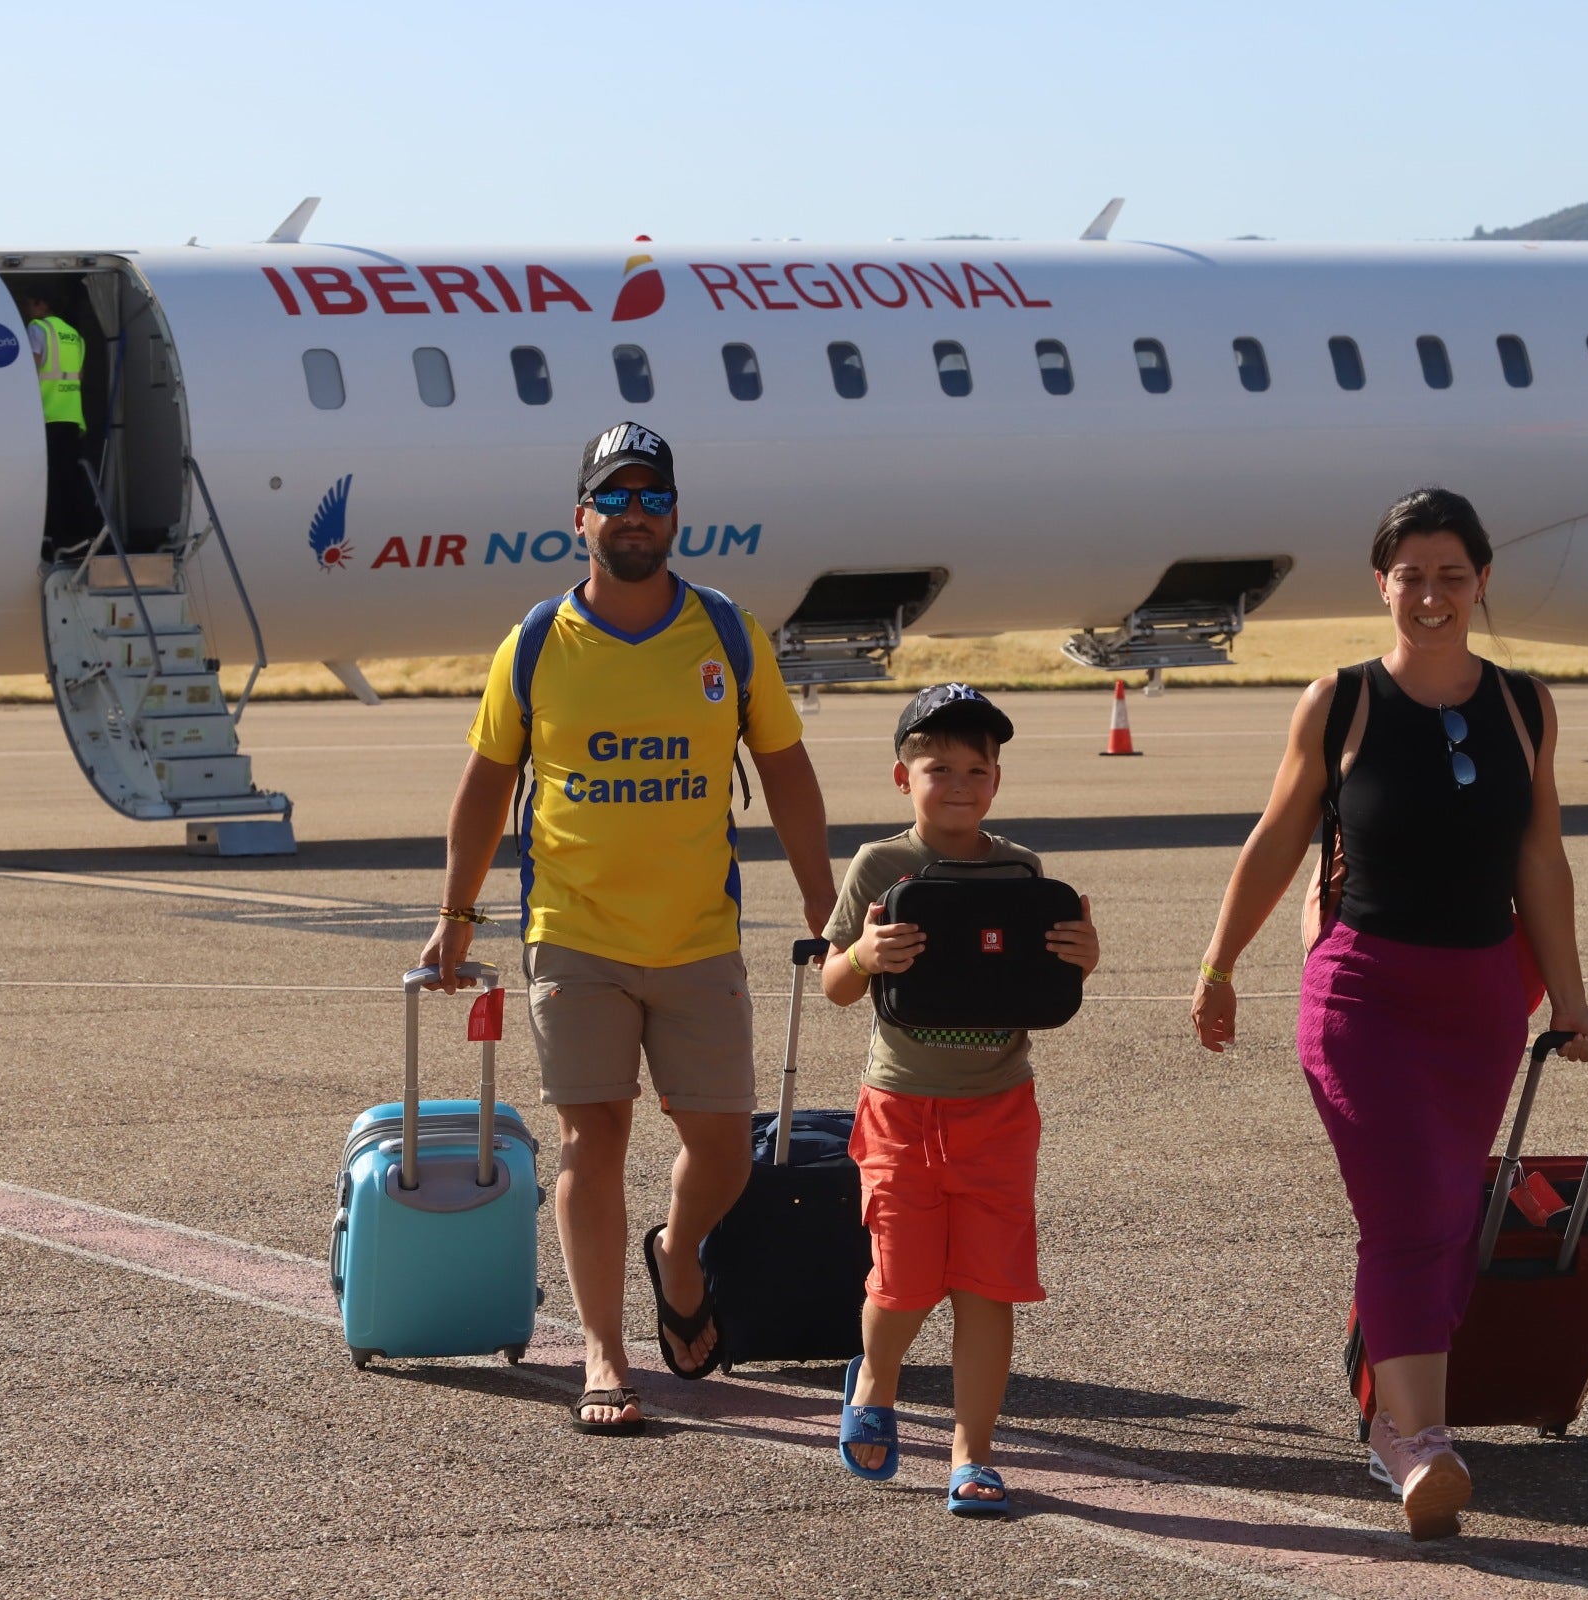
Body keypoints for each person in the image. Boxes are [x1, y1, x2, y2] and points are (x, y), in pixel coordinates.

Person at [1189, 488, 1588, 1541]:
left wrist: (1568, 996)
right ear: (1382, 583)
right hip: (1362, 994)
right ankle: (1415, 1442)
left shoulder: (1526, 704)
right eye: (1411, 574)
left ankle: (1396, 1391)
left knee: (1443, 1213)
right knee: (1409, 1210)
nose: (1431, 595)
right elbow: (1277, 839)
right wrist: (1218, 963)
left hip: (1478, 997)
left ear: (1481, 583)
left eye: (1451, 574)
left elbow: (1540, 860)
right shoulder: (1340, 701)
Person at [419, 421, 836, 1437]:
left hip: (697, 935)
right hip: (574, 932)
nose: (635, 514)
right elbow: (486, 783)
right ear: (581, 519)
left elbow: (783, 766)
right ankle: (607, 1354)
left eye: (653, 497)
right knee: (588, 1133)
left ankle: (680, 1253)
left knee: (725, 1148)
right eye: (615, 497)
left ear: (677, 516)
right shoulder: (535, 644)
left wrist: (828, 901)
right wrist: (455, 915)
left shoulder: (727, 635)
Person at [820, 684, 1099, 1517]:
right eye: (938, 767)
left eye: (977, 769)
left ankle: (973, 1455)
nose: (959, 784)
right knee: (902, 1280)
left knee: (989, 1285)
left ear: (997, 781)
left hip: (999, 1110)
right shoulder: (878, 865)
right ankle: (875, 1378)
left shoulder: (1022, 870)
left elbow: (1040, 988)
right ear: (902, 776)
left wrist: (1081, 958)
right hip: (901, 1107)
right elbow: (835, 985)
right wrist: (865, 953)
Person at [19, 292, 94, 557]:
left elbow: (33, 367)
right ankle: (80, 535)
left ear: (42, 302)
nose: (28, 309)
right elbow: (80, 376)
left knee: (49, 481)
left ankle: (55, 537)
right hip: (71, 415)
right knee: (69, 478)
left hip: (46, 415)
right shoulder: (74, 335)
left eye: (29, 302)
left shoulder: (37, 329)